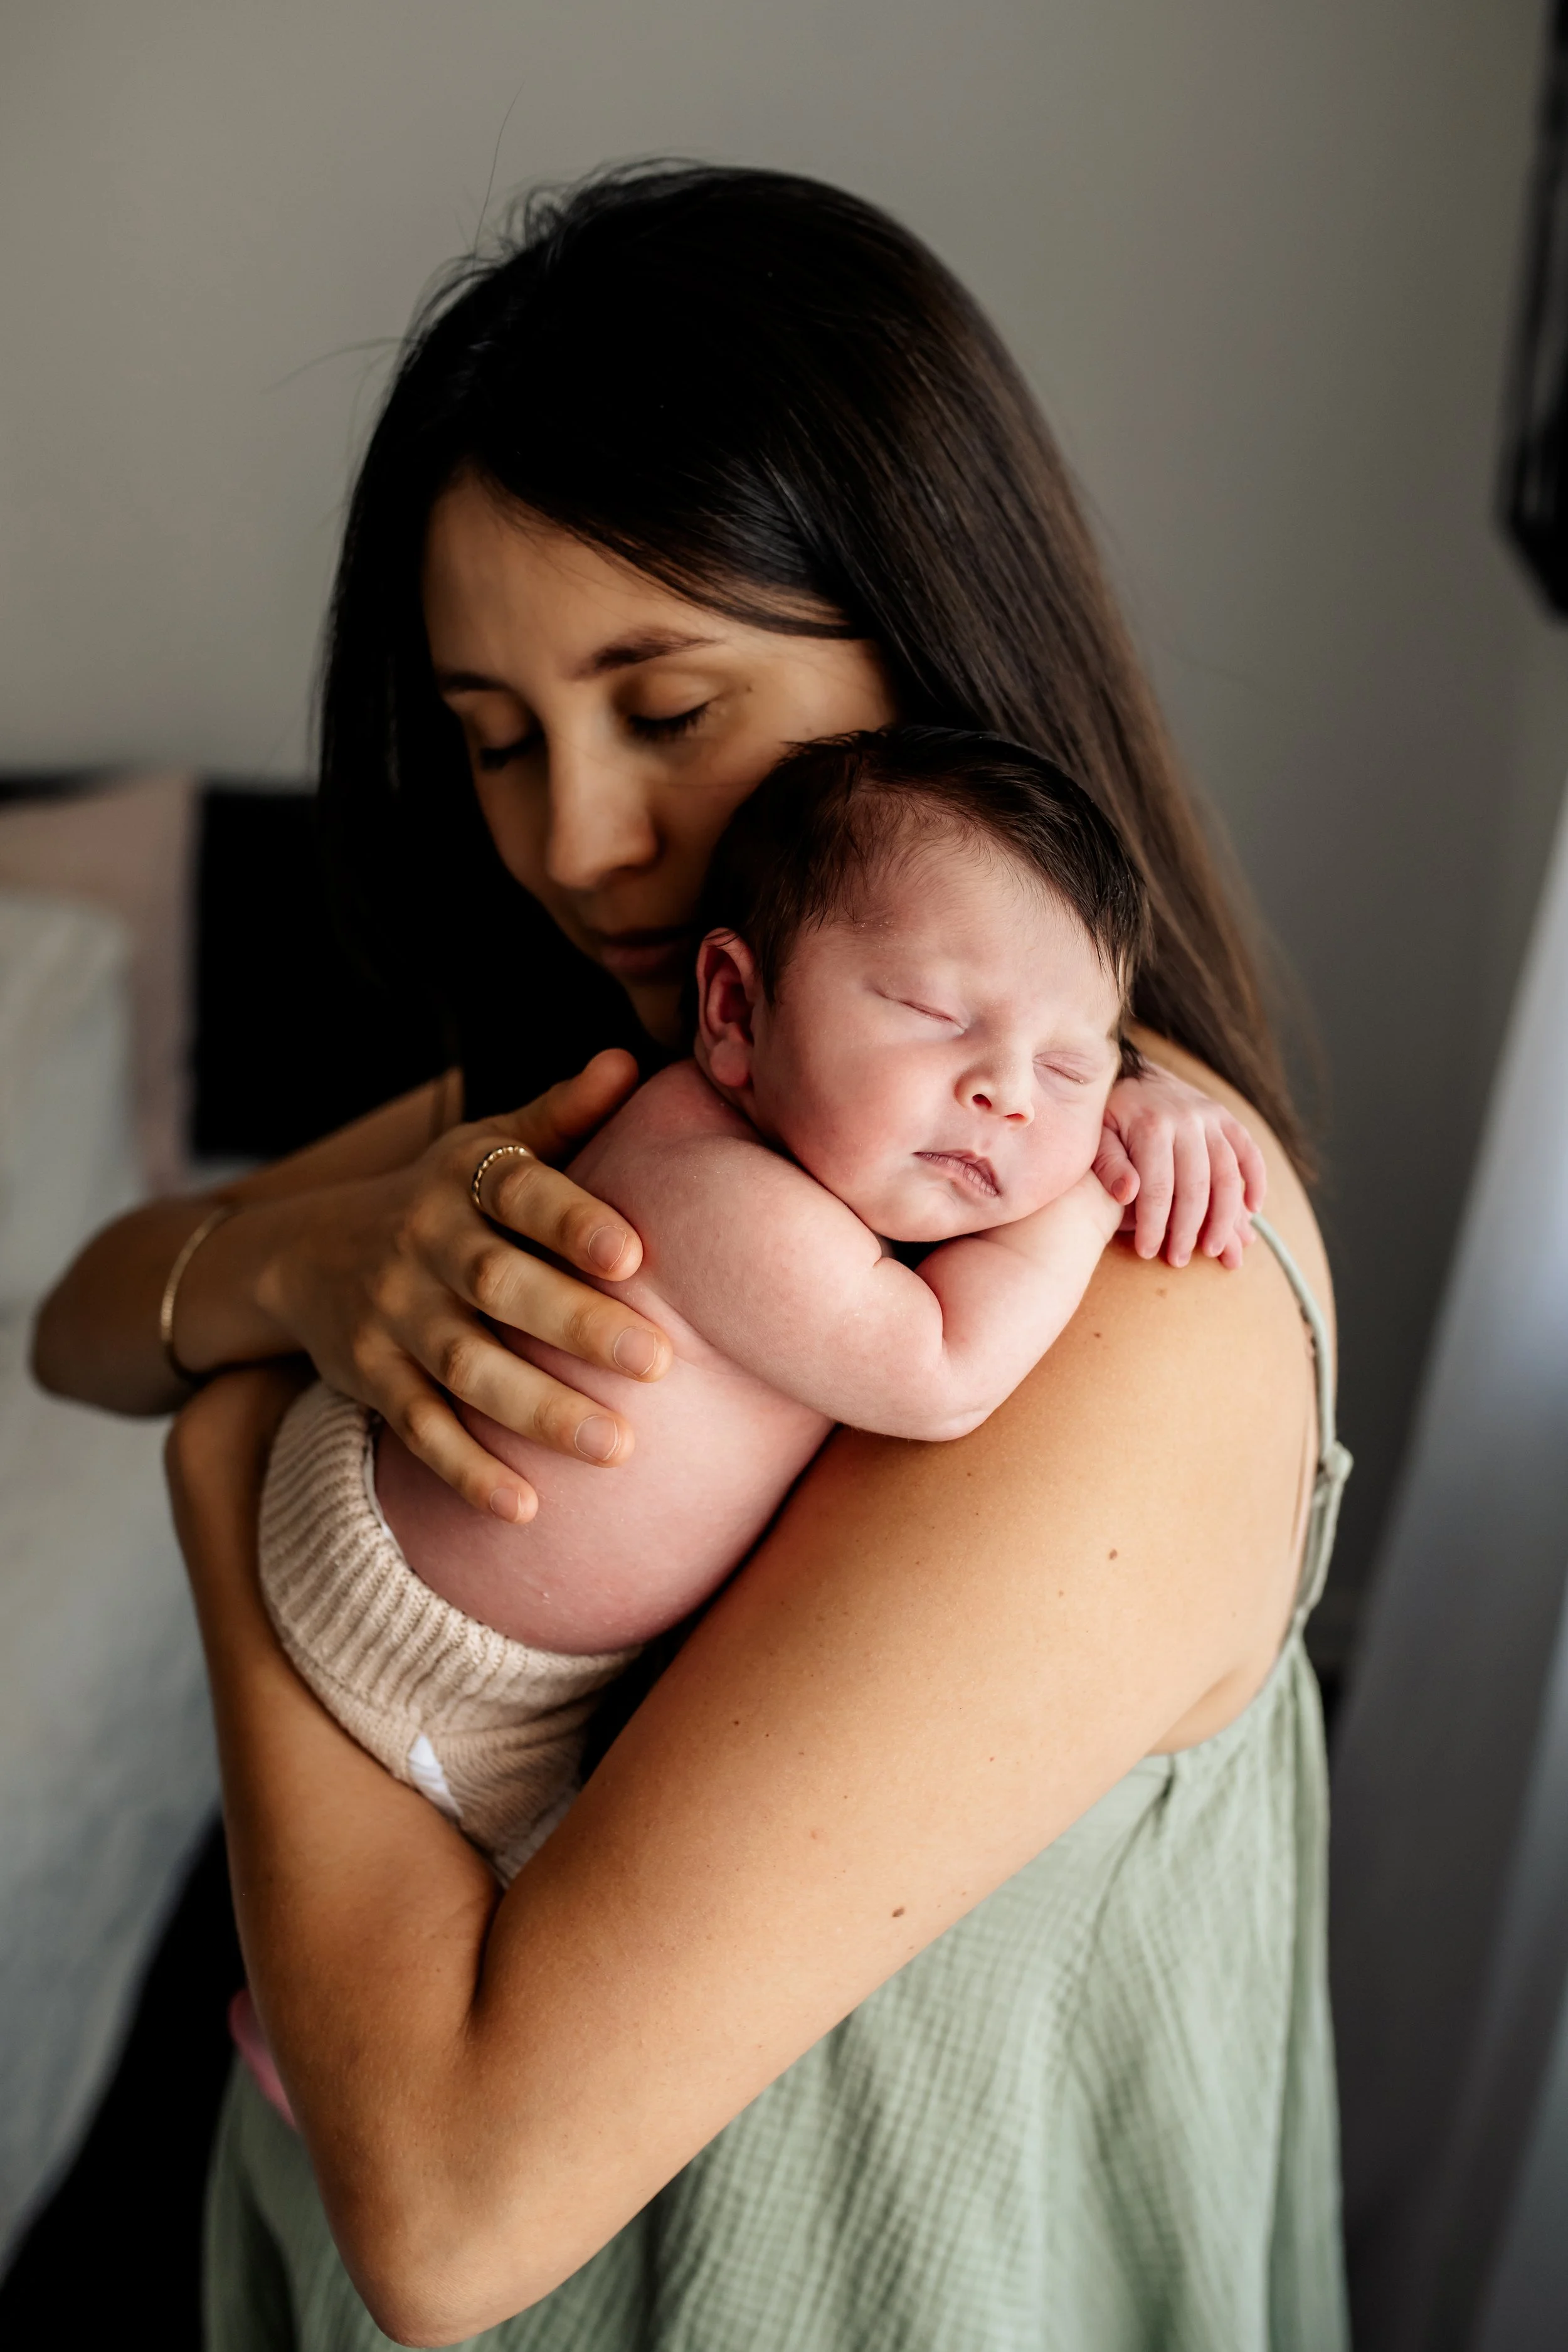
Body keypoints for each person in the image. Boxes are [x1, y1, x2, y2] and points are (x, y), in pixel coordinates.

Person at [33, 162, 1350, 2349]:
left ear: (928, 655)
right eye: (490, 742)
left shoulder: (1130, 1303)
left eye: (665, 712)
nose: (568, 843)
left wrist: (228, 1465)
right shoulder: (687, 1092)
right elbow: (89, 1311)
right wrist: (280, 1277)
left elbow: (450, 2214)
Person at [258, 726, 1263, 1894]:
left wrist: (1132, 1090)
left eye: (1073, 1070)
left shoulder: (813, 1147)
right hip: (423, 1647)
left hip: (473, 1591)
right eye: (936, 1015)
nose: (1008, 1095)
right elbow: (943, 1370)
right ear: (734, 1007)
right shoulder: (727, 1198)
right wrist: (1098, 1183)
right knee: (498, 1920)